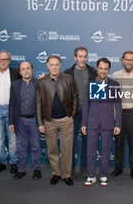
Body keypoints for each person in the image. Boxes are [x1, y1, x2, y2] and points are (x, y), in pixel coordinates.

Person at [36, 55, 78, 186]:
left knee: (67, 149)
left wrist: (72, 115)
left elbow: (75, 97)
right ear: (47, 66)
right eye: (51, 65)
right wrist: (40, 123)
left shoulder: (68, 78)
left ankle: (66, 175)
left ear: (60, 65)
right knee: (52, 149)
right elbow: (38, 103)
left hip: (66, 119)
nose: (54, 67)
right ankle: (56, 174)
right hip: (49, 121)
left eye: (56, 64)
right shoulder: (42, 82)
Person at [81, 57, 122, 186]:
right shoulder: (90, 83)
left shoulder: (114, 84)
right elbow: (86, 105)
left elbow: (118, 105)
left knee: (106, 150)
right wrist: (83, 123)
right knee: (91, 150)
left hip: (108, 122)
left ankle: (104, 175)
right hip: (92, 122)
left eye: (105, 68)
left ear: (109, 69)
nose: (103, 71)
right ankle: (91, 175)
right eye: (101, 68)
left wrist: (118, 124)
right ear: (97, 69)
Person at [64, 47, 97, 178]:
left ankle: (84, 167)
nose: (83, 59)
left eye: (85, 56)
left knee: (87, 142)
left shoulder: (93, 72)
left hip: (88, 113)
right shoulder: (67, 73)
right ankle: (70, 168)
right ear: (75, 58)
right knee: (70, 142)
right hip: (72, 113)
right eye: (80, 56)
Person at [111, 51, 133, 179]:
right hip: (119, 114)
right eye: (127, 59)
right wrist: (114, 117)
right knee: (119, 144)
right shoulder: (115, 75)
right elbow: (112, 98)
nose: (129, 62)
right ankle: (118, 168)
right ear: (122, 60)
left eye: (132, 60)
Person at [0, 50, 21, 174]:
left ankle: (14, 162)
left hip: (11, 110)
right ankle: (2, 162)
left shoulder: (15, 73)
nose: (3, 62)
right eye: (1, 60)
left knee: (13, 140)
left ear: (9, 61)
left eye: (6, 59)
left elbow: (27, 81)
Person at [8, 61, 41, 180]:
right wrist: (11, 121)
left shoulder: (39, 83)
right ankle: (21, 169)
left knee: (35, 146)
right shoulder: (14, 85)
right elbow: (11, 104)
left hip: (34, 120)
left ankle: (37, 169)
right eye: (23, 69)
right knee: (21, 147)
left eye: (28, 68)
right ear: (20, 72)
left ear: (32, 70)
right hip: (19, 120)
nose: (26, 70)